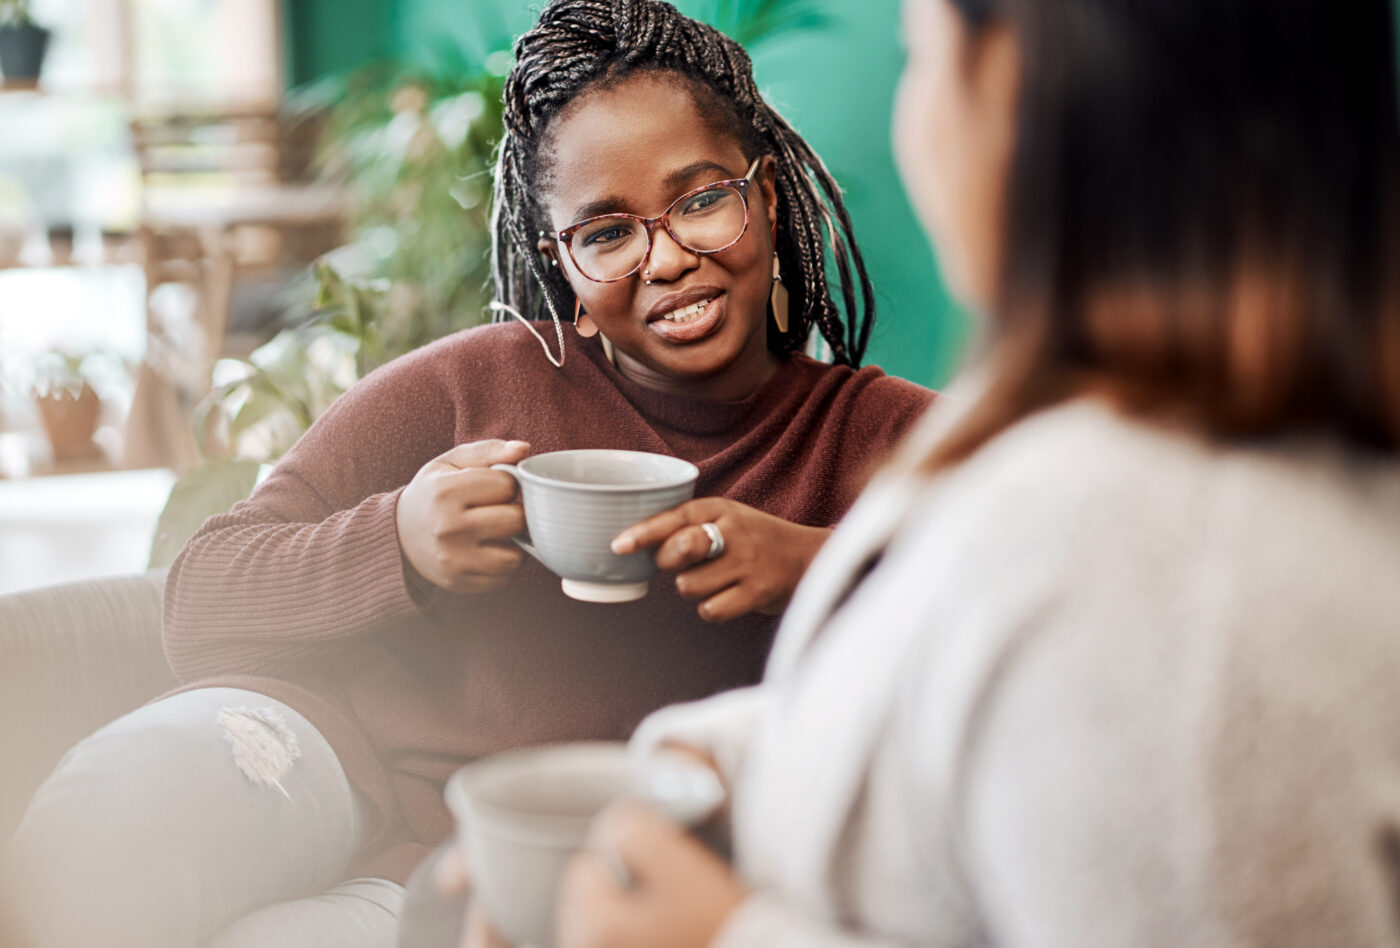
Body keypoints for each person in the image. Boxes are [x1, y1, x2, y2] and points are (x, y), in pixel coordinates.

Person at [0, 2, 935, 946]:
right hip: (343, 766)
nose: (666, 258)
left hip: (571, 887)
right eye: (607, 233)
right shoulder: (468, 384)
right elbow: (198, 600)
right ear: (558, 260)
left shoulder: (893, 440)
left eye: (700, 200)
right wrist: (398, 540)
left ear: (766, 195)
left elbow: (1043, 644)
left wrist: (825, 565)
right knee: (104, 833)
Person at [544, 0, 1400, 945]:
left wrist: (724, 936)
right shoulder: (1115, 465)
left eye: (920, 53)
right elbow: (967, 729)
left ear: (1011, 81)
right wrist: (703, 774)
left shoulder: (1160, 569)